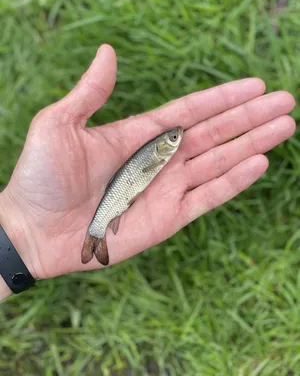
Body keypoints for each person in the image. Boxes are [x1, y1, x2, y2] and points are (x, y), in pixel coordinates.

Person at [0, 44, 296, 301]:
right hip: (110, 200)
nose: (174, 141)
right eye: (172, 141)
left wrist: (23, 240)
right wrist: (23, 233)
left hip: (107, 200)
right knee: (115, 204)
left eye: (173, 140)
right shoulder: (154, 156)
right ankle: (97, 231)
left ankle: (96, 231)